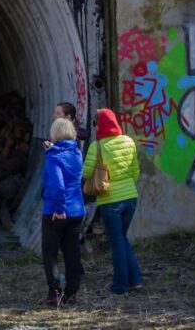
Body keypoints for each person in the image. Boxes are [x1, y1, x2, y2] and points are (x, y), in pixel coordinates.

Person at [82, 108, 143, 295]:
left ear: (99, 125)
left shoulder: (97, 146)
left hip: (110, 200)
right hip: (131, 198)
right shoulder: (128, 141)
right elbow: (135, 172)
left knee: (116, 243)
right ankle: (136, 280)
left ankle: (120, 287)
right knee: (122, 238)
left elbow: (86, 173)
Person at [41, 118, 85, 306]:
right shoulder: (77, 153)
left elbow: (58, 185)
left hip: (56, 211)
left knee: (50, 253)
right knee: (72, 252)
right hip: (76, 210)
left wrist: (59, 209)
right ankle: (71, 292)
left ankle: (54, 292)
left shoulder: (53, 157)